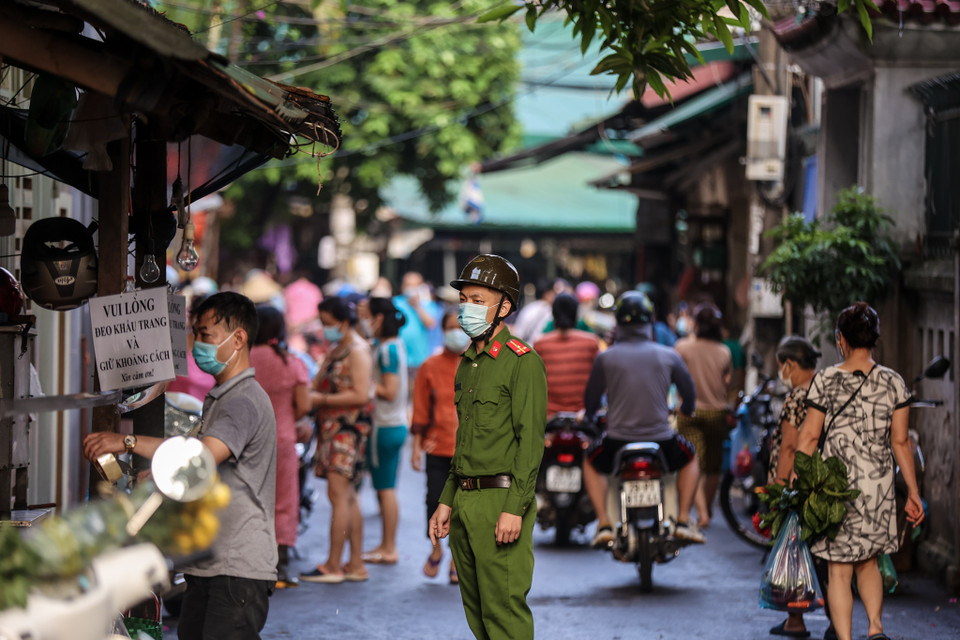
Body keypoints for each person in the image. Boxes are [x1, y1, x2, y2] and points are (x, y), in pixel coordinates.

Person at [82, 292, 278, 640]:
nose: (198, 343)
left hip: (236, 567)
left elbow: (198, 458)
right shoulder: (222, 397)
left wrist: (125, 442)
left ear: (239, 338)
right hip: (210, 565)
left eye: (206, 335)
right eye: (196, 333)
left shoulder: (242, 401)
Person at [429, 254, 547, 640]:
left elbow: (530, 444)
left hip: (501, 501)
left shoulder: (522, 361)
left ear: (505, 307)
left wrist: (516, 507)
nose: (467, 309)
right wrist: (447, 499)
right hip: (465, 501)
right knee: (478, 616)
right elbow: (465, 441)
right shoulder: (468, 363)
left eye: (478, 301)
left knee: (505, 617)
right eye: (464, 299)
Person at [795, 302, 923, 640]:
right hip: (878, 488)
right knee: (869, 562)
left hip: (835, 489)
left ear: (841, 339)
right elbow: (901, 443)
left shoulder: (824, 381)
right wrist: (913, 492)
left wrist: (797, 482)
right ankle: (876, 628)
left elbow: (808, 437)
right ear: (874, 339)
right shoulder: (893, 382)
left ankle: (846, 638)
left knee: (839, 570)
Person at [583, 291, 705, 547]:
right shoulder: (669, 354)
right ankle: (683, 520)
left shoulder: (605, 357)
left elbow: (591, 399)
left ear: (618, 321)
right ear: (649, 319)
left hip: (617, 441)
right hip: (662, 440)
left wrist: (591, 415)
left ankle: (604, 523)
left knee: (590, 461)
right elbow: (689, 392)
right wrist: (688, 409)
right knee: (690, 456)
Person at [300, 296, 373, 584]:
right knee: (347, 496)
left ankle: (333, 564)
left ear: (343, 322)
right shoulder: (339, 348)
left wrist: (321, 399)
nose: (324, 328)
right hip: (334, 429)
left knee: (339, 495)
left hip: (347, 430)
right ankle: (354, 564)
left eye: (328, 323)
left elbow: (361, 393)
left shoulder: (356, 350)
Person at [250, 305, 311, 590]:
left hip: (247, 440)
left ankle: (250, 560)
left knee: (250, 497)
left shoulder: (243, 359)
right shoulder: (291, 362)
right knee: (284, 500)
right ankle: (280, 564)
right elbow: (304, 406)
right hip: (283, 438)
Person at [767, 336, 822, 639]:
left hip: (797, 483)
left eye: (780, 366)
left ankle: (796, 620)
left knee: (795, 553)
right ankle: (837, 623)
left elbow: (789, 447)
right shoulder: (827, 389)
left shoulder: (798, 396)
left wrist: (779, 489)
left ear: (789, 364)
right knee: (825, 557)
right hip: (824, 481)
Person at [411, 310, 468, 583]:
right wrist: (415, 448)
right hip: (437, 447)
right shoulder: (429, 367)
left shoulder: (479, 364)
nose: (455, 332)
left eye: (460, 327)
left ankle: (456, 558)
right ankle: (436, 549)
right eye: (449, 327)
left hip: (469, 450)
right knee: (433, 501)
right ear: (442, 331)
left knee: (463, 506)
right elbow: (420, 411)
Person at [674, 302, 732, 528]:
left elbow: (675, 375)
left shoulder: (682, 347)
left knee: (692, 462)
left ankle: (701, 513)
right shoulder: (724, 351)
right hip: (717, 412)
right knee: (713, 466)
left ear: (696, 324)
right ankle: (706, 508)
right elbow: (726, 381)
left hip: (690, 412)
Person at [362, 296, 409, 566]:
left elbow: (389, 391)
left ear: (379, 319)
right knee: (386, 488)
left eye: (367, 316)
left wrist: (366, 386)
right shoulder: (394, 345)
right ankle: (386, 545)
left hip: (385, 425)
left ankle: (389, 547)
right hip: (394, 424)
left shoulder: (386, 350)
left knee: (385, 489)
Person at [533, 292, 600, 418]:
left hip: (549, 418)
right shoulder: (591, 342)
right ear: (576, 314)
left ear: (553, 315)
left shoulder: (540, 344)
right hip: (582, 416)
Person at [393, 271, 442, 384]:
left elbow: (430, 324)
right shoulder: (395, 303)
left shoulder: (427, 304)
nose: (411, 288)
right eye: (408, 285)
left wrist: (417, 306)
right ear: (402, 286)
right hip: (398, 359)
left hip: (419, 359)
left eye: (415, 285)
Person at [510, 277, 564, 344]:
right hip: (542, 350)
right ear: (548, 293)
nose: (556, 296)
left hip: (527, 349)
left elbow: (518, 334)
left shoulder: (529, 308)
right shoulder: (549, 310)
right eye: (555, 293)